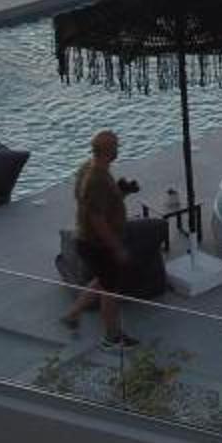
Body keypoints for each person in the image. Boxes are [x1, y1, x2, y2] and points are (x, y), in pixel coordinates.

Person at [63, 129, 139, 347]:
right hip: (98, 244)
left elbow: (92, 202)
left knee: (103, 280)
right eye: (115, 146)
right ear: (108, 150)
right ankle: (111, 337)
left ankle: (73, 314)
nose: (118, 149)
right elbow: (97, 218)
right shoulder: (97, 178)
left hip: (87, 239)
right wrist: (116, 247)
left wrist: (121, 192)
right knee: (110, 291)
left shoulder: (89, 168)